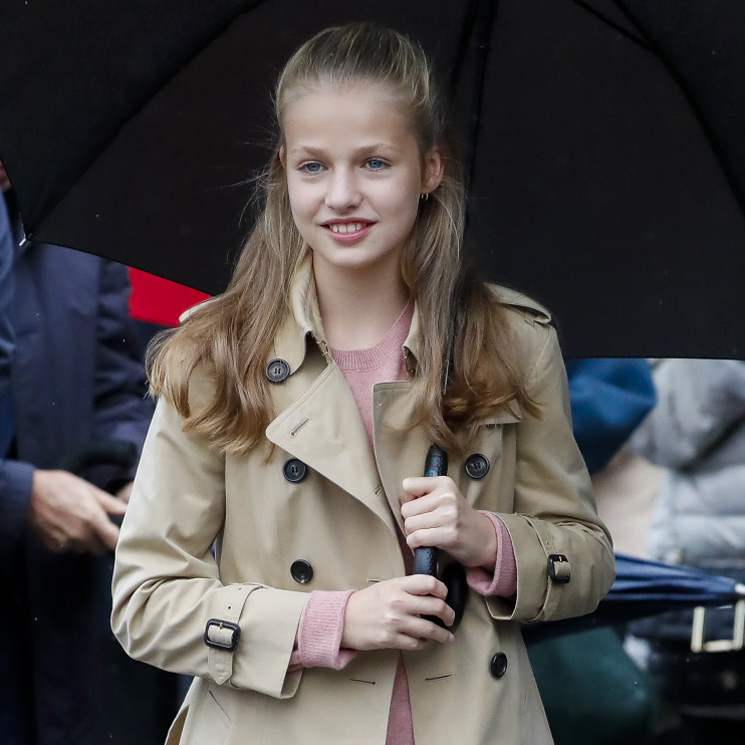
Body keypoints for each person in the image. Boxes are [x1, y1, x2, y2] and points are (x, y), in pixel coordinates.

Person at [111, 23, 615, 745]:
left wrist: (487, 538)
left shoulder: (510, 341)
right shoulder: (215, 353)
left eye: (375, 162)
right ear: (282, 168)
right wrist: (331, 619)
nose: (341, 195)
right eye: (313, 166)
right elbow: (143, 601)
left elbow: (588, 558)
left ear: (430, 166)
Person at [0, 162, 165, 745]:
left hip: (55, 602)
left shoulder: (75, 230)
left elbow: (118, 386)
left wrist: (121, 477)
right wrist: (22, 497)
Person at [630, 359, 745, 744]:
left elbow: (659, 434)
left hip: (706, 579)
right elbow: (659, 434)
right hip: (707, 590)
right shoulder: (706, 324)